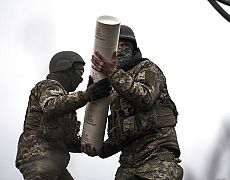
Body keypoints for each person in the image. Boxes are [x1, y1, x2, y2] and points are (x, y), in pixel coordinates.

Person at [82, 25, 184, 180]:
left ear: (133, 49)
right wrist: (99, 148)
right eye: (116, 46)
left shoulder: (148, 69)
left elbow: (145, 98)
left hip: (156, 156)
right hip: (128, 163)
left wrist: (112, 73)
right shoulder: (114, 86)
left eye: (124, 45)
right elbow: (123, 131)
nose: (119, 49)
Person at [15, 51, 112, 180]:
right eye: (79, 73)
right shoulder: (47, 85)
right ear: (65, 69)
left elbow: (68, 141)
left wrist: (90, 145)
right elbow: (51, 106)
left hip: (56, 161)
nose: (81, 79)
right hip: (39, 157)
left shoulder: (66, 103)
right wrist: (87, 95)